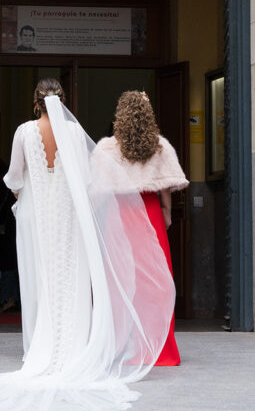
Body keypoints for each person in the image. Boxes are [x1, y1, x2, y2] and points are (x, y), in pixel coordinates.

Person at [0, 79, 175, 410]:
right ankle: (73, 348)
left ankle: (41, 349)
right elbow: (87, 180)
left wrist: (25, 194)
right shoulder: (74, 135)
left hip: (36, 216)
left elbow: (14, 177)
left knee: (41, 277)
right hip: (68, 215)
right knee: (70, 276)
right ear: (62, 103)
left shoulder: (23, 132)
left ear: (36, 104)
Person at [93, 91, 189, 366]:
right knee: (158, 281)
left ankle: (126, 345)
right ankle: (161, 349)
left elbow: (98, 190)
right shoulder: (160, 147)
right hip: (149, 213)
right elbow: (165, 187)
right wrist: (167, 214)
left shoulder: (106, 148)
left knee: (122, 280)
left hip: (120, 215)